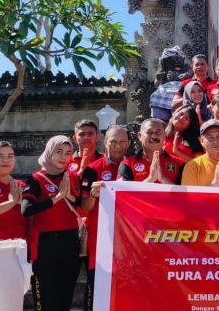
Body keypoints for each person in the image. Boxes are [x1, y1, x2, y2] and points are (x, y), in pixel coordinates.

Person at [22, 135, 82, 311]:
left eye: (68, 153)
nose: (63, 157)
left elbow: (82, 205)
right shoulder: (35, 179)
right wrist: (56, 198)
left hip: (70, 240)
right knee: (46, 297)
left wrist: (69, 195)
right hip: (45, 243)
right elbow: (26, 209)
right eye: (59, 152)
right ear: (49, 152)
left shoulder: (72, 177)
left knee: (65, 295)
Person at [80, 125, 130, 311]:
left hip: (128, 241)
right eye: (113, 141)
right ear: (105, 142)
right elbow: (85, 207)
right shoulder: (92, 169)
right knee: (97, 291)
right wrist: (94, 195)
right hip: (100, 240)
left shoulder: (132, 166)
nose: (117, 146)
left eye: (122, 141)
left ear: (129, 143)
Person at [118, 118, 180, 184]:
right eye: (149, 132)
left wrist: (163, 179)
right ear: (139, 136)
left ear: (165, 135)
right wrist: (150, 179)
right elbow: (122, 190)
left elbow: (184, 190)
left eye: (158, 132)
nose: (154, 136)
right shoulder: (127, 164)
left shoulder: (179, 163)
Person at [181, 119, 219, 187]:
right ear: (201, 141)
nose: (215, 141)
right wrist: (215, 184)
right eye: (210, 137)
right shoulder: (192, 166)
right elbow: (189, 194)